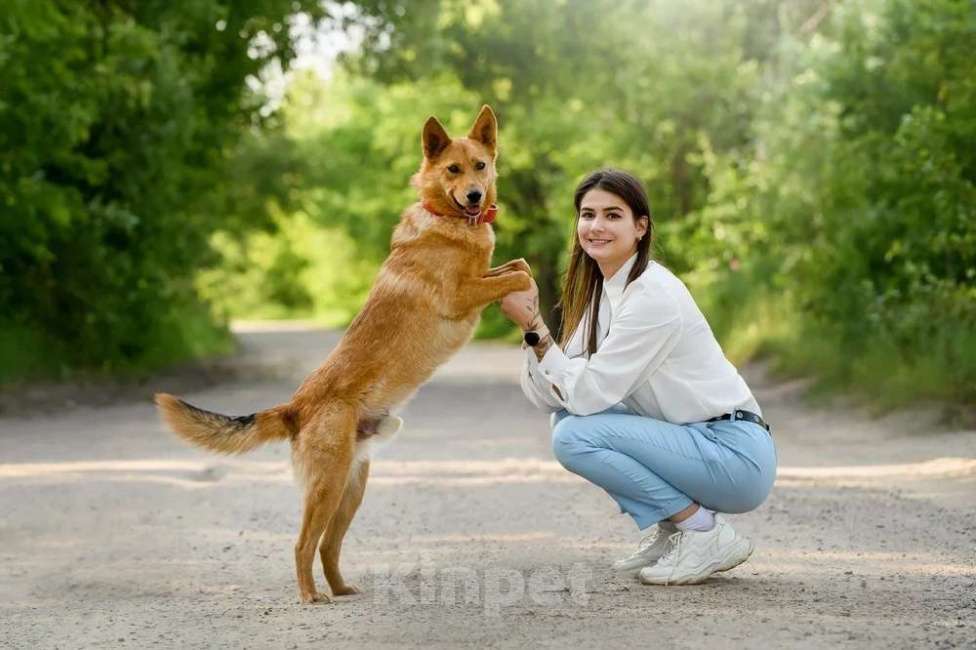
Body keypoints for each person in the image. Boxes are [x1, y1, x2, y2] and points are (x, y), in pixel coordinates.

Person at [499, 168, 777, 585]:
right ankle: (675, 529)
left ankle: (703, 531)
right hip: (694, 441)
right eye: (588, 214)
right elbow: (551, 396)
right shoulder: (604, 293)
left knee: (574, 435)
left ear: (640, 227)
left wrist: (537, 328)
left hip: (734, 452)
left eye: (613, 215)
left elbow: (585, 394)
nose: (596, 226)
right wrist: (531, 331)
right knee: (564, 421)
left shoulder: (652, 295)